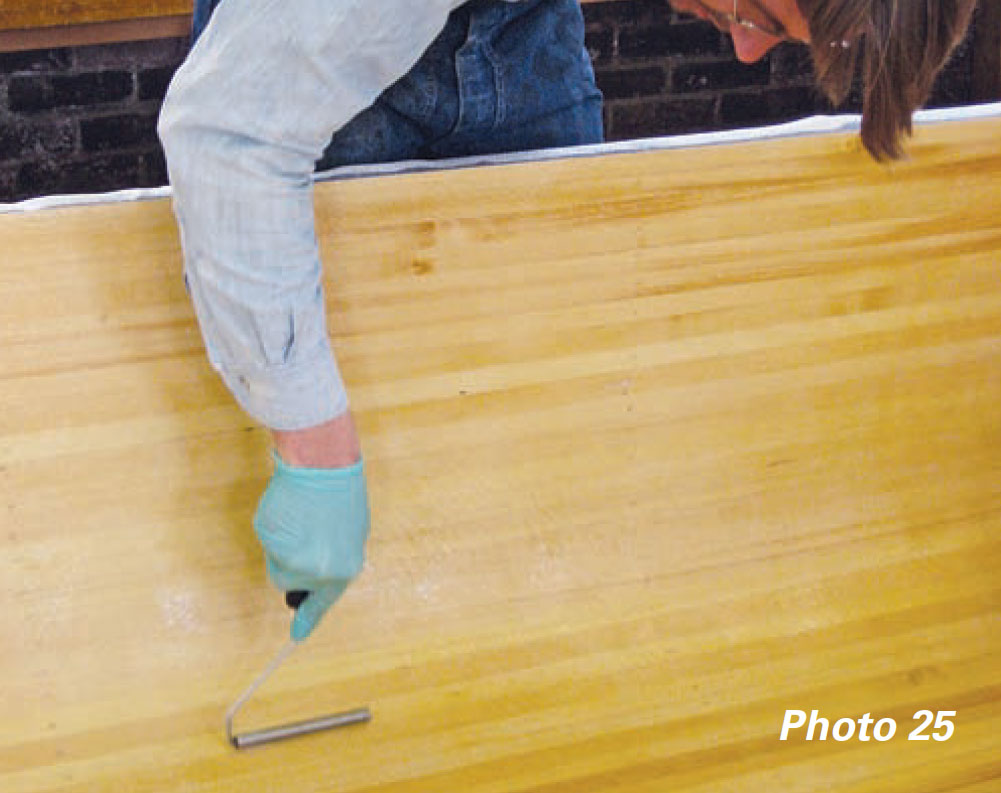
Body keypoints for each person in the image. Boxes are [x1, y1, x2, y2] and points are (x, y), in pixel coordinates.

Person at [157, 0, 976, 641]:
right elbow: (229, 134)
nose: (743, 50)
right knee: (348, 444)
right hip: (321, 91)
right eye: (754, 17)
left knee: (548, 479)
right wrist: (310, 440)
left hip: (518, 39)